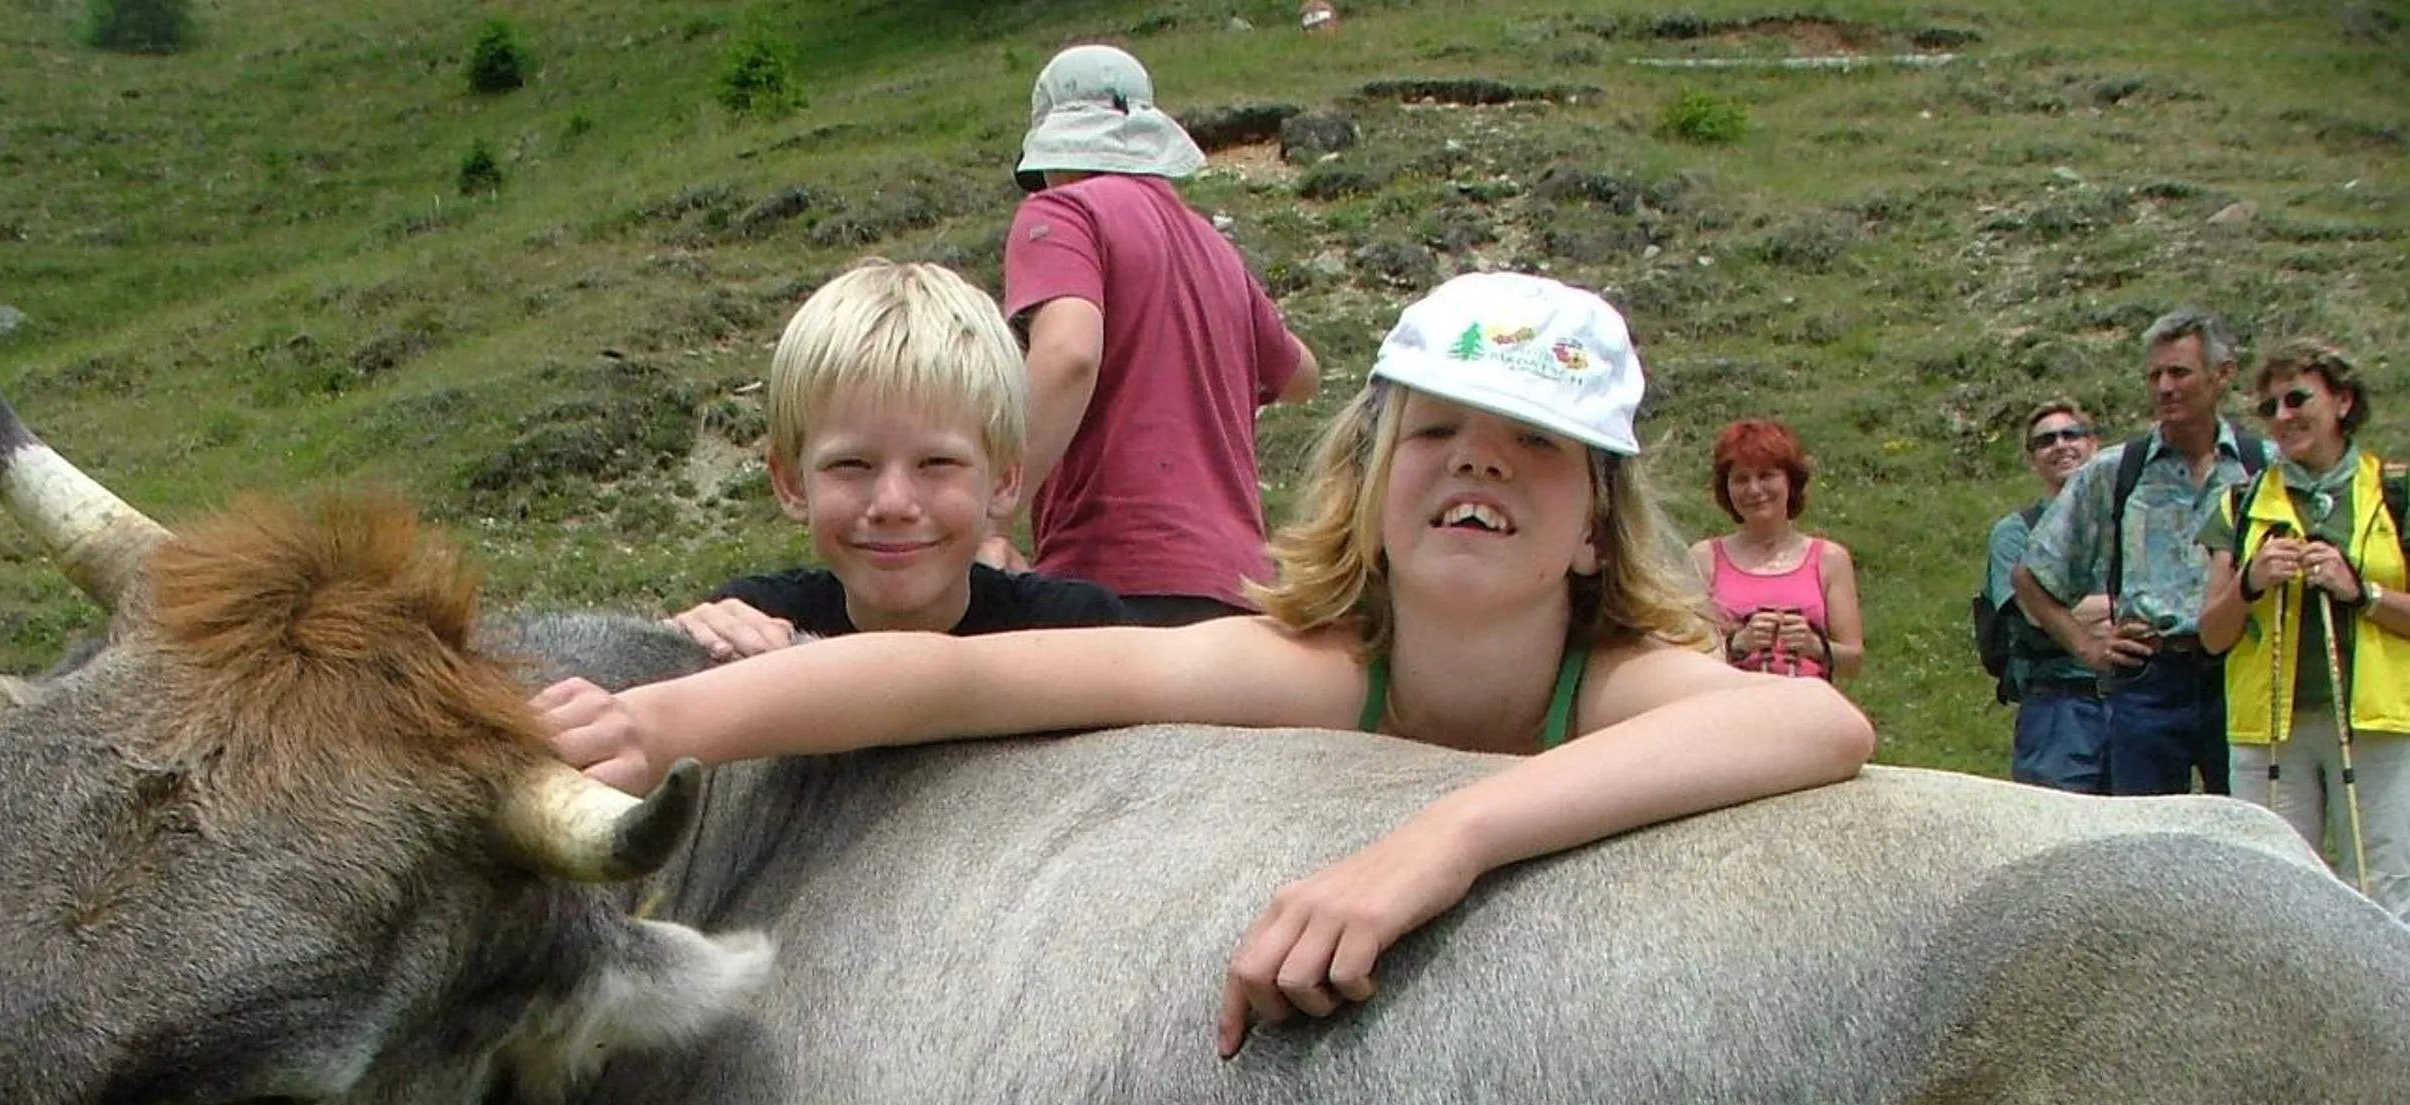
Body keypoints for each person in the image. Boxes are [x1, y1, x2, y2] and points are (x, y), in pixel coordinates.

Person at [531, 273, 1876, 1054]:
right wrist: (665, 719)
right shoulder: (1315, 671)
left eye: (1532, 445)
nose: (1478, 460)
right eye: (1438, 433)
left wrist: (1442, 839)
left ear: (1595, 525)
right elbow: (957, 678)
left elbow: (1814, 727)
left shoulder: (1617, 677)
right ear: (1369, 485)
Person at [997, 43, 1324, 623]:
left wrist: (990, 510)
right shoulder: (1214, 247)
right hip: (1237, 589)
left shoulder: (1066, 214)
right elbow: (1300, 375)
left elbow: (1070, 353)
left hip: (1111, 570)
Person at [664, 260, 1130, 662]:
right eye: (852, 464)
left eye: (936, 462)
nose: (893, 503)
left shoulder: (1079, 629)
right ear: (790, 482)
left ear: (1006, 479)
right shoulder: (754, 626)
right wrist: (679, 642)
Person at [2014, 306, 2268, 796]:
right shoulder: (2115, 471)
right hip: (2148, 678)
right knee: (2145, 840)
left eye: (2179, 372)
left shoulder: (2262, 467)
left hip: (2243, 675)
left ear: (2222, 375)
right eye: (2154, 375)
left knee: (2252, 830)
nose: (2165, 387)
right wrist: (2088, 647)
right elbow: (2032, 577)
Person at [2196, 339, 2410, 915]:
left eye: (2297, 399)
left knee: (2388, 891)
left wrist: (2361, 591)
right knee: (2273, 897)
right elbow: (2212, 634)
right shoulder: (2239, 504)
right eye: (2270, 408)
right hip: (2269, 732)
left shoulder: (2395, 493)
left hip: (2380, 726)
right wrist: (2249, 583)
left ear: (2342, 402)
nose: (2283, 418)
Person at [1981, 399, 2108, 790]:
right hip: (2058, 710)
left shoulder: (2125, 523)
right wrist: (2124, 612)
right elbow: (2033, 612)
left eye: (2072, 434)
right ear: (2031, 459)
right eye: (2045, 440)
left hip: (2134, 701)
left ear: (2094, 445)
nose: (2061, 445)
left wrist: (2066, 611)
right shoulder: (2015, 534)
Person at [1689, 419, 1863, 685]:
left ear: (1790, 481)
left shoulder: (1829, 559)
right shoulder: (1704, 559)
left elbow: (1853, 662)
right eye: (1741, 479)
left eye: (1766, 476)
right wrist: (1738, 643)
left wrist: (1816, 646)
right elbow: (1685, 655)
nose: (1754, 490)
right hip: (1730, 707)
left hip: (1808, 710)